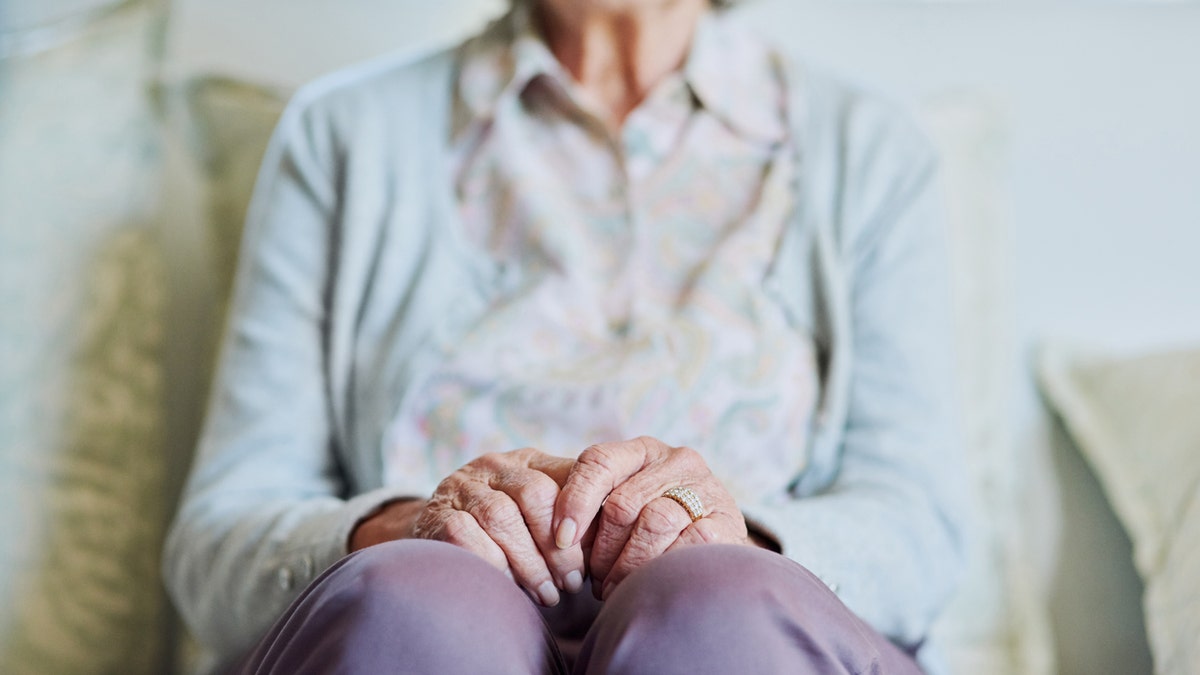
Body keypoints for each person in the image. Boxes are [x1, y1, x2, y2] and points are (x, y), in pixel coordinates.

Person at [164, 0, 968, 672]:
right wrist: (405, 527)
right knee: (422, 601)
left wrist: (733, 539)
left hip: (749, 640)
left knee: (716, 603)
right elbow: (215, 539)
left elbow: (921, 528)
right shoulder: (342, 135)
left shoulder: (868, 148)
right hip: (418, 639)